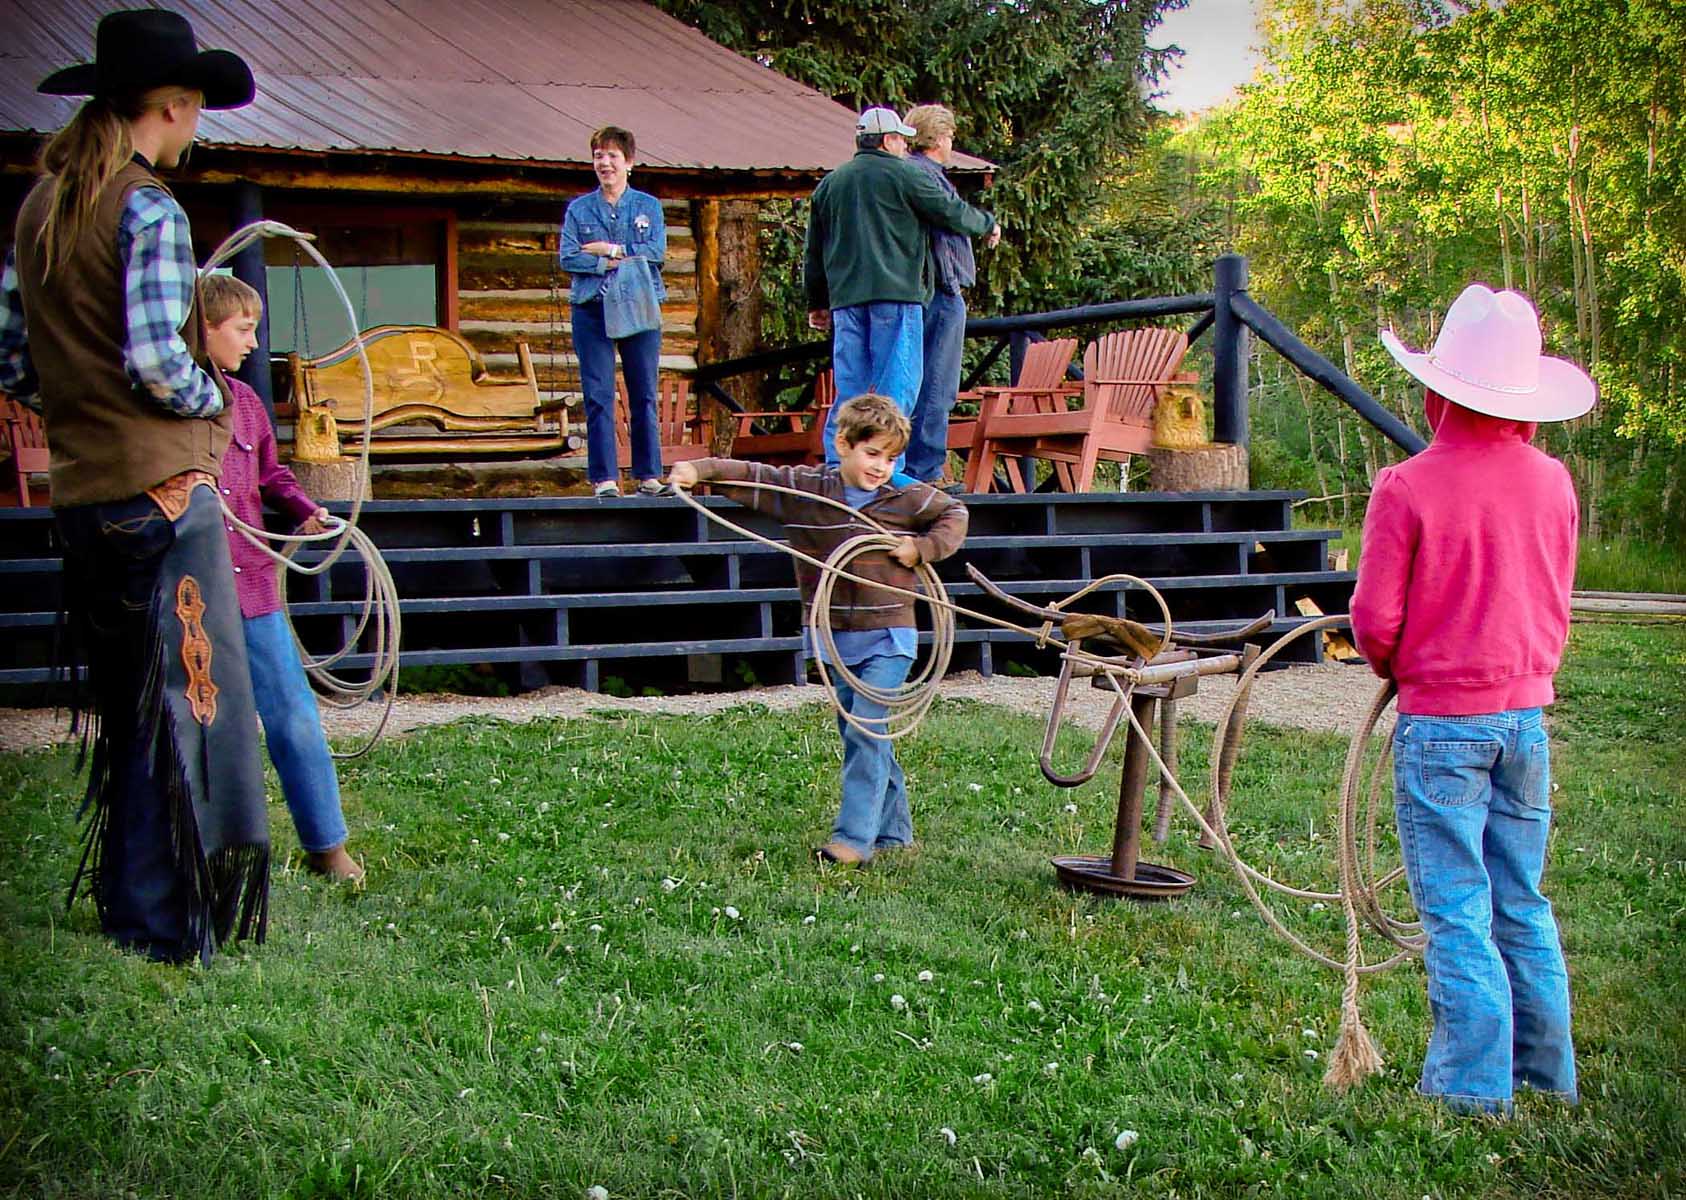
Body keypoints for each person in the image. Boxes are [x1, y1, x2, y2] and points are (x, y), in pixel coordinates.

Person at [0, 9, 269, 963]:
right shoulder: (147, 207)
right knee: (193, 708)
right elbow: (161, 361)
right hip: (160, 490)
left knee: (128, 711)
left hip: (83, 494)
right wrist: (216, 398)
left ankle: (132, 906)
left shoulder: (42, 206)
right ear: (173, 104)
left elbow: (10, 356)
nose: (196, 128)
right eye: (194, 110)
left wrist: (76, 406)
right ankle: (170, 927)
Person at [1350, 282, 1594, 1115]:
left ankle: (1470, 1092)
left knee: (1458, 907)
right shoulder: (1555, 483)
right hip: (1525, 720)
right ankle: (1545, 1075)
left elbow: (1375, 619)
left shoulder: (1406, 487)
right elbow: (1557, 594)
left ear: (1433, 394)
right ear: (1526, 402)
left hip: (1442, 726)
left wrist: (1397, 659)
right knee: (1520, 897)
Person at [669, 393, 968, 865]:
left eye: (891, 458)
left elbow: (954, 514)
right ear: (844, 444)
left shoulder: (905, 496)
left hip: (890, 636)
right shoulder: (809, 493)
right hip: (832, 636)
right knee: (863, 731)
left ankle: (853, 841)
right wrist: (699, 471)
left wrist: (920, 548)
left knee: (865, 728)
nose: (881, 467)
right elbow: (754, 476)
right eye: (873, 454)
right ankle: (893, 831)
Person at [199, 275, 363, 883]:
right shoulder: (172, 409)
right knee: (204, 721)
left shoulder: (246, 402)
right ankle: (209, 852)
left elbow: (270, 475)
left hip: (255, 586)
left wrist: (304, 509)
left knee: (293, 715)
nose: (251, 341)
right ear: (206, 328)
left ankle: (327, 847)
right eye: (241, 329)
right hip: (197, 594)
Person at [804, 107, 999, 469]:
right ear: (889, 140)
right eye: (901, 140)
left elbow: (814, 250)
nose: (904, 148)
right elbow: (949, 211)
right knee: (897, 390)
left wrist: (818, 302)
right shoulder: (903, 175)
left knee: (851, 390)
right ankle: (890, 472)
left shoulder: (831, 184)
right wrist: (987, 224)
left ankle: (838, 467)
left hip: (846, 303)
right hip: (897, 297)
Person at [559, 125, 668, 499]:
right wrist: (606, 263)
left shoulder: (648, 206)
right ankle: (605, 479)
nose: (605, 164)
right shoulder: (579, 209)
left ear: (629, 162)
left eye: (612, 156)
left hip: (639, 304)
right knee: (598, 394)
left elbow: (655, 251)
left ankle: (648, 475)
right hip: (591, 307)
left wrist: (609, 249)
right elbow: (568, 256)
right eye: (598, 157)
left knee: (644, 393)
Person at [903, 104, 993, 486]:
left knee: (922, 382)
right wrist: (988, 225)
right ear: (939, 138)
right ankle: (924, 472)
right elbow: (952, 216)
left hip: (928, 289)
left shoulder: (915, 174)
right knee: (937, 384)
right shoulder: (925, 176)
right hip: (940, 290)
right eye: (950, 136)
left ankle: (919, 468)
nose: (952, 143)